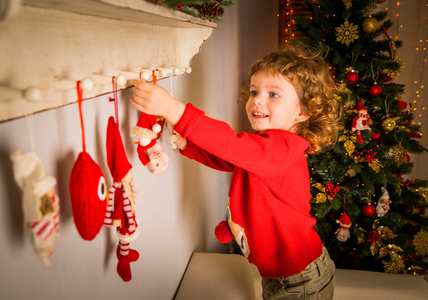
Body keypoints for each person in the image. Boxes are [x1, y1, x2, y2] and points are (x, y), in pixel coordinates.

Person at [131, 42, 341, 300]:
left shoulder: (283, 147)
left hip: (299, 278)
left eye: (273, 94)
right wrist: (190, 146)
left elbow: (229, 144)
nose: (257, 101)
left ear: (304, 111)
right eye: (254, 92)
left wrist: (173, 109)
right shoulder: (267, 146)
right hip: (284, 273)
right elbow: (229, 159)